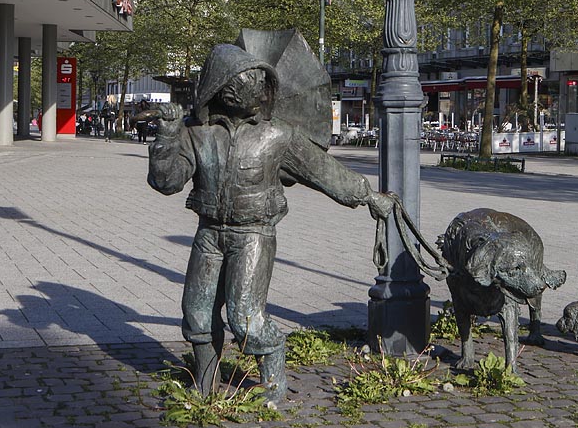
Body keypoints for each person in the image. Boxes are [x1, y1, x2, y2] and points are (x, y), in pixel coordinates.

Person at [147, 43, 394, 406]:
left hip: (254, 234)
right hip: (209, 233)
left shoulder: (278, 134)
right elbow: (166, 183)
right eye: (251, 83)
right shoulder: (194, 132)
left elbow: (324, 172)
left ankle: (273, 372)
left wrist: (369, 196)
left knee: (244, 318)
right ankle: (205, 384)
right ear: (225, 88)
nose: (261, 90)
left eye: (263, 83)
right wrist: (167, 137)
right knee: (197, 315)